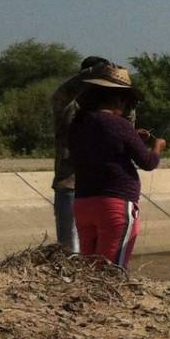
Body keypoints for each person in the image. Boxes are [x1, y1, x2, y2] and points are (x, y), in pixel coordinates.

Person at [68, 63, 165, 270]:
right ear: (117, 98)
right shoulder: (119, 124)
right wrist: (157, 147)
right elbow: (148, 163)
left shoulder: (78, 124)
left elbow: (100, 145)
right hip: (114, 205)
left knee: (89, 268)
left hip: (83, 203)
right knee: (111, 270)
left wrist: (131, 136)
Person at [50, 55, 110, 252]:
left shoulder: (104, 110)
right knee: (71, 249)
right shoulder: (69, 108)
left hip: (100, 187)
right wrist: (90, 74)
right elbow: (61, 95)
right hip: (71, 185)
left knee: (98, 247)